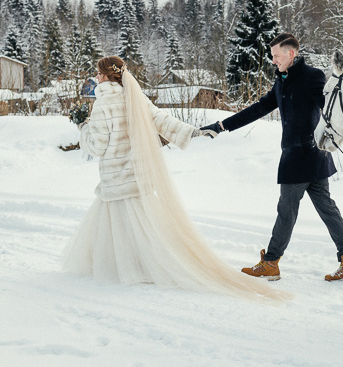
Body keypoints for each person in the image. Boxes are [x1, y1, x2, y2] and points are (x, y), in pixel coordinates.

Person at [61, 56, 288, 303]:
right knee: (140, 227)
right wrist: (192, 132)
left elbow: (97, 146)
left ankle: (131, 269)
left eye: (98, 73)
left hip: (116, 178)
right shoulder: (134, 96)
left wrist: (83, 127)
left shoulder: (103, 102)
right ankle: (145, 264)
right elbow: (161, 120)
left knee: (119, 227)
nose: (96, 77)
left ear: (106, 76)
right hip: (137, 175)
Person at [199, 34, 343, 283]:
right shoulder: (282, 81)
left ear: (291, 53)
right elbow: (258, 108)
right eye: (272, 56)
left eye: (276, 55)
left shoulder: (312, 76)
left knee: (287, 211)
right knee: (327, 209)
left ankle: (271, 263)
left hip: (302, 156)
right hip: (311, 158)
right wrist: (222, 125)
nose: (273, 60)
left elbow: (330, 107)